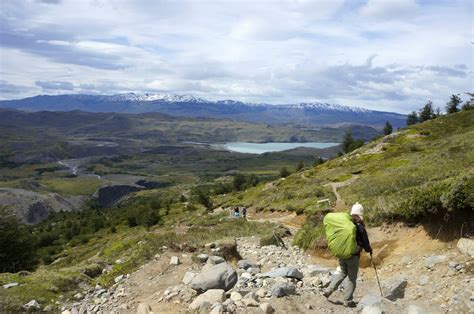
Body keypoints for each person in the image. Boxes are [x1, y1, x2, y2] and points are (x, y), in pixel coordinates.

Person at [323, 202, 373, 307]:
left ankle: (329, 290)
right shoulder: (359, 227)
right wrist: (369, 250)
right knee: (351, 278)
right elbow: (365, 242)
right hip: (352, 256)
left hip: (341, 254)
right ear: (360, 215)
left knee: (342, 273)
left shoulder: (344, 223)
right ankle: (347, 300)